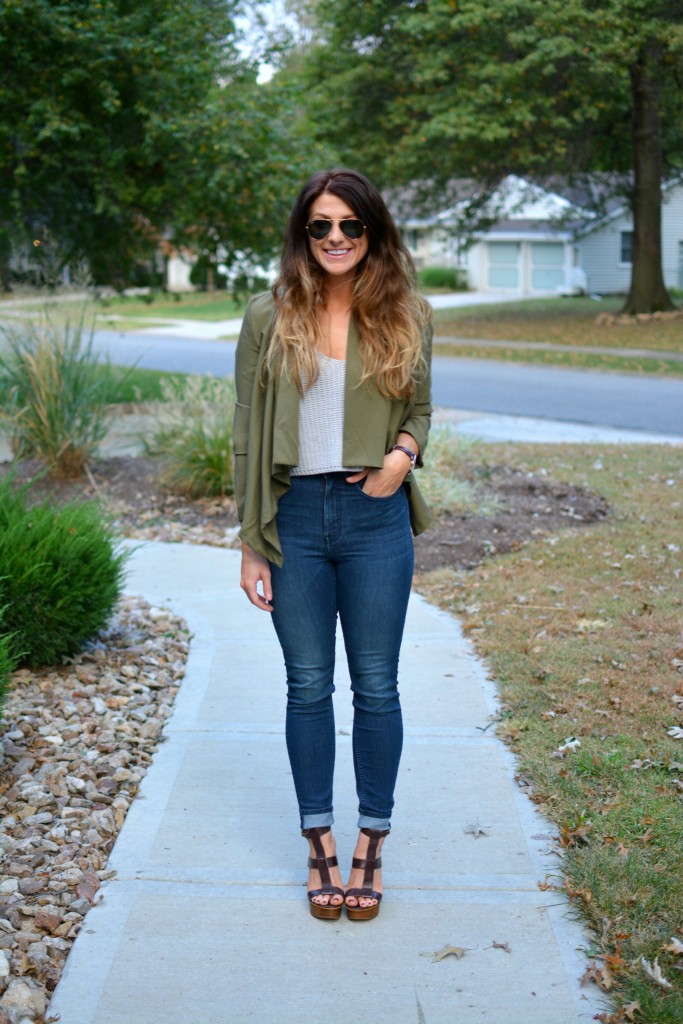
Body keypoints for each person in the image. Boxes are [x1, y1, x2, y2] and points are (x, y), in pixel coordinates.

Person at [234, 168, 432, 921]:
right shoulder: (269, 313)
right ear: (303, 234)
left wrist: (401, 458)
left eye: (349, 225)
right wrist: (251, 542)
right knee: (307, 686)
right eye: (320, 226)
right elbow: (247, 432)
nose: (336, 239)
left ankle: (369, 845)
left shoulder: (406, 311)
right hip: (294, 519)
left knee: (376, 686)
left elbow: (421, 403)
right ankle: (318, 841)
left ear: (371, 230)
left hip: (374, 516)